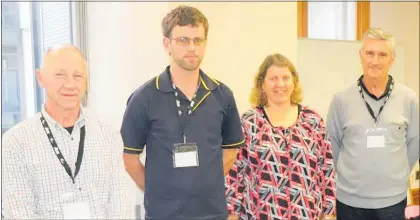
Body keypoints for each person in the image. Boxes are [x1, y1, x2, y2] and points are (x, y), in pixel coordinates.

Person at [121, 5, 244, 220]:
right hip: (164, 215)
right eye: (183, 40)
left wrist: (202, 183)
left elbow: (230, 152)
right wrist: (159, 192)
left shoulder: (222, 95)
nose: (192, 47)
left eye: (198, 40)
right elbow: (130, 159)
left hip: (212, 214)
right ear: (166, 44)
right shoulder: (144, 98)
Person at [1, 44, 133, 219]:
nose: (70, 84)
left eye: (78, 76)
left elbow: (121, 206)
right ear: (40, 78)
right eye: (60, 75)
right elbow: (18, 213)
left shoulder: (108, 133)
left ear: (86, 81)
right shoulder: (16, 142)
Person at [225, 54, 336, 220]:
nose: (280, 84)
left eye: (286, 78)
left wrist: (329, 212)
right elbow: (236, 172)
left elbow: (326, 168)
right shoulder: (250, 122)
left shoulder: (312, 120)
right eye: (273, 78)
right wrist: (232, 212)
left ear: (294, 82)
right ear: (262, 84)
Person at [326, 27, 419, 220]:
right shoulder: (341, 100)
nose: (375, 61)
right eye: (370, 53)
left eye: (382, 54)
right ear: (360, 56)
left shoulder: (409, 99)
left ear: (392, 59)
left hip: (392, 202)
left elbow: (414, 145)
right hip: (349, 202)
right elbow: (332, 147)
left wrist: (394, 176)